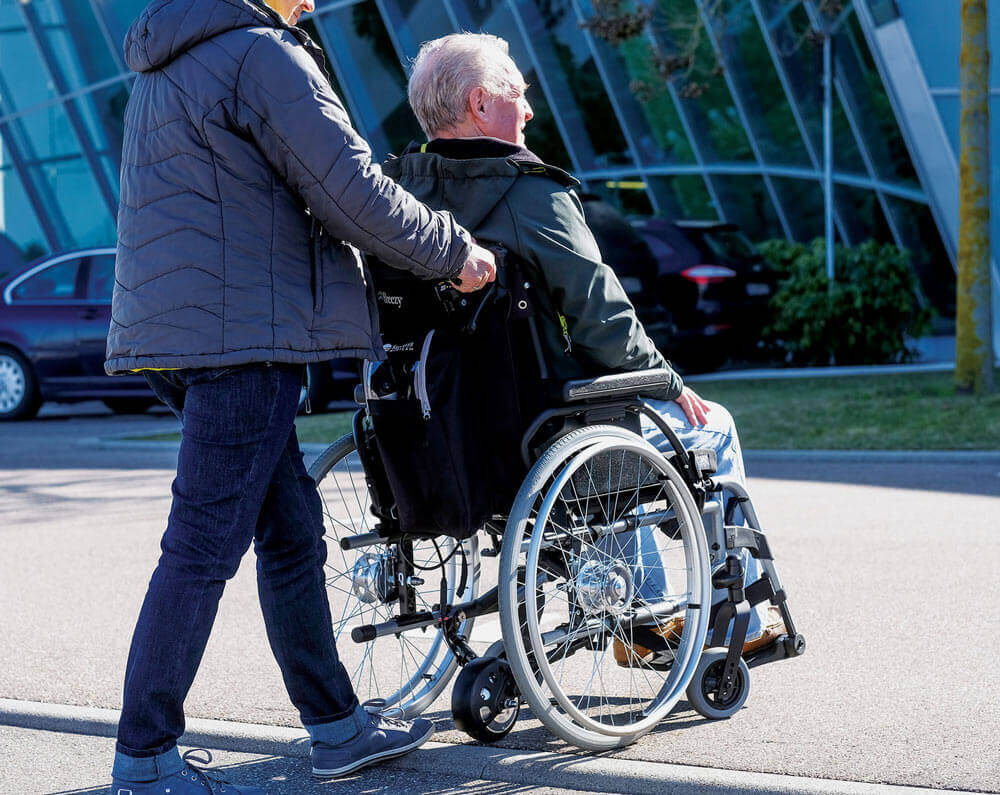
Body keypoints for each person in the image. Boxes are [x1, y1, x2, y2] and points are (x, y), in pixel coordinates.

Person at [106, 2, 495, 793]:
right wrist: (454, 252)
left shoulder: (170, 53)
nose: (316, 2)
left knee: (289, 530)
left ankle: (336, 725)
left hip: (189, 331)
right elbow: (349, 189)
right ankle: (145, 753)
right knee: (204, 543)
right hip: (242, 337)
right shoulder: (261, 55)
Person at [384, 32, 785, 668]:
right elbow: (603, 318)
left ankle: (639, 611)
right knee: (701, 424)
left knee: (601, 423)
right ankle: (737, 618)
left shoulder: (395, 196)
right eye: (518, 93)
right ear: (480, 103)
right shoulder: (527, 193)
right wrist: (668, 381)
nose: (531, 110)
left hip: (443, 435)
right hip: (535, 435)